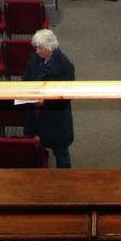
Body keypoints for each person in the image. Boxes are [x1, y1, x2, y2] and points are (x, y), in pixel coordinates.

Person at [21, 27, 76, 167]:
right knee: (35, 148)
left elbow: (66, 97)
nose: (37, 51)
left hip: (56, 119)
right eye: (36, 48)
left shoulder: (65, 66)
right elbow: (26, 80)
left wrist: (43, 102)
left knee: (61, 153)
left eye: (40, 48)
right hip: (36, 116)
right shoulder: (33, 58)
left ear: (49, 47)